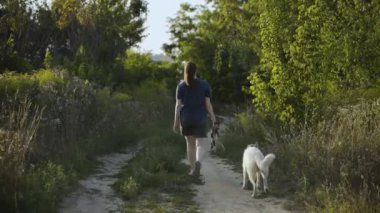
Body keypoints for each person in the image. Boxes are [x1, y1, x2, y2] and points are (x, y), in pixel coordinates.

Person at [173, 61, 216, 177]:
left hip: (186, 119)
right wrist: (213, 118)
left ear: (185, 71)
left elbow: (178, 105)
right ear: (196, 71)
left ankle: (193, 169)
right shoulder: (204, 84)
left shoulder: (181, 86)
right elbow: (208, 104)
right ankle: (198, 162)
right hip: (200, 118)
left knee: (190, 145)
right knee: (200, 144)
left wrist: (176, 122)